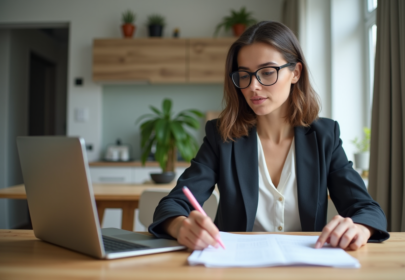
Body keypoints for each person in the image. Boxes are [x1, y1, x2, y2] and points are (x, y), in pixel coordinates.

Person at [149, 21, 389, 250]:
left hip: (305, 269)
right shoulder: (221, 137)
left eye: (267, 72)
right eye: (244, 75)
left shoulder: (324, 137)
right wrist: (181, 225)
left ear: (295, 73)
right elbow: (172, 205)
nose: (253, 86)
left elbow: (367, 209)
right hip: (236, 268)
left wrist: (359, 227)